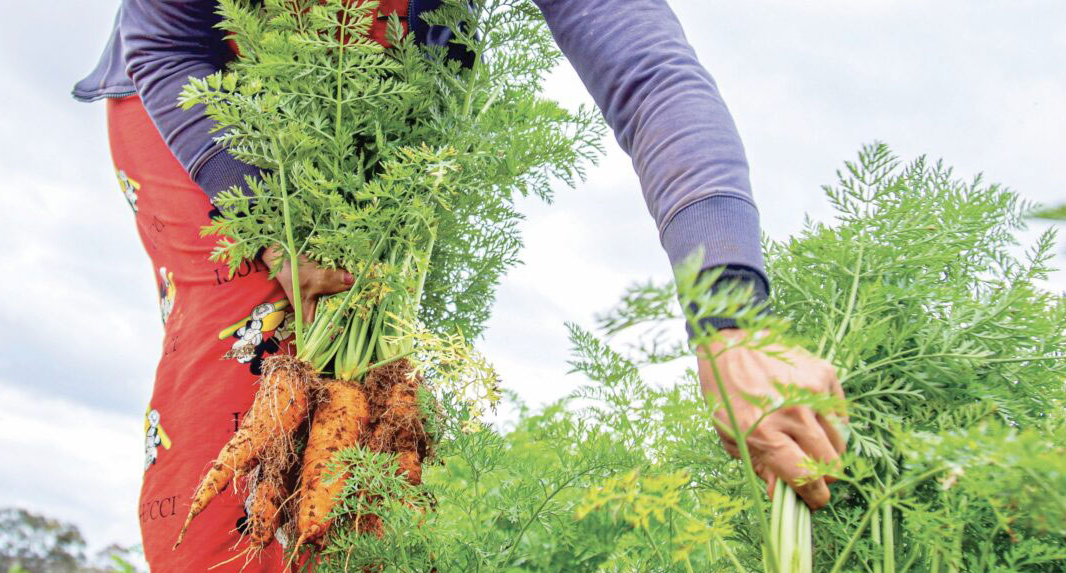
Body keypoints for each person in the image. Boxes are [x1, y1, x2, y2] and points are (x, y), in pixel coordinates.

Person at [73, 0, 845, 569]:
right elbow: (167, 40)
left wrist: (731, 323)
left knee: (376, 410)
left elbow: (652, 79)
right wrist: (271, 227)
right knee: (250, 362)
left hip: (385, 106)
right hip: (203, 96)